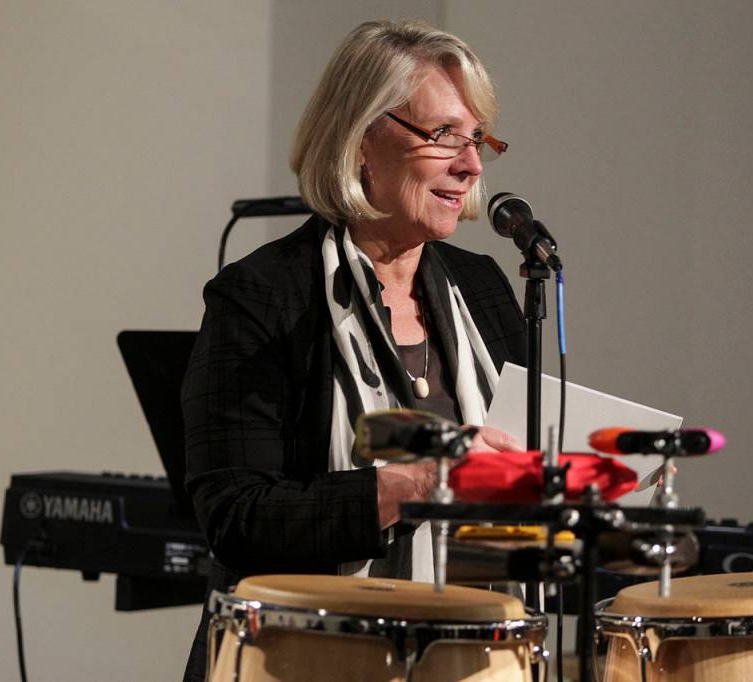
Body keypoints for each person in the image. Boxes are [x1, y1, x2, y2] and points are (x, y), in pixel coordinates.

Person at [179, 19, 526, 681]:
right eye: (442, 135)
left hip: (469, 660)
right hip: (301, 660)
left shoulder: (482, 289)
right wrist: (421, 483)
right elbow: (236, 516)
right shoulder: (264, 297)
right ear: (362, 138)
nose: (472, 164)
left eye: (477, 137)